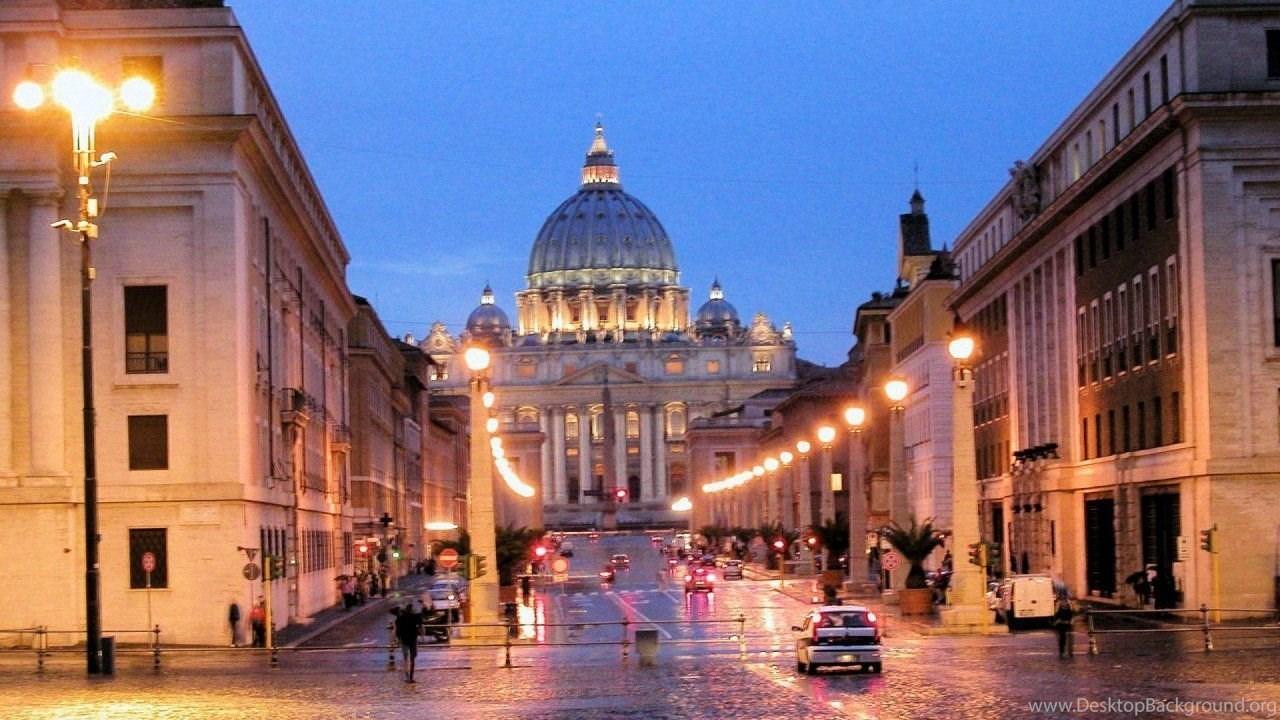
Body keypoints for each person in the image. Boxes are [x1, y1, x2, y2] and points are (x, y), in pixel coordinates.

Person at [391, 603, 423, 682]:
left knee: (405, 658)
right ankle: (410, 677)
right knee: (412, 658)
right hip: (412, 639)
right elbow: (420, 627)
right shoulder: (415, 617)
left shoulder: (400, 618)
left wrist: (395, 640)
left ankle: (407, 677)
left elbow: (396, 630)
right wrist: (421, 635)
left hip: (404, 639)